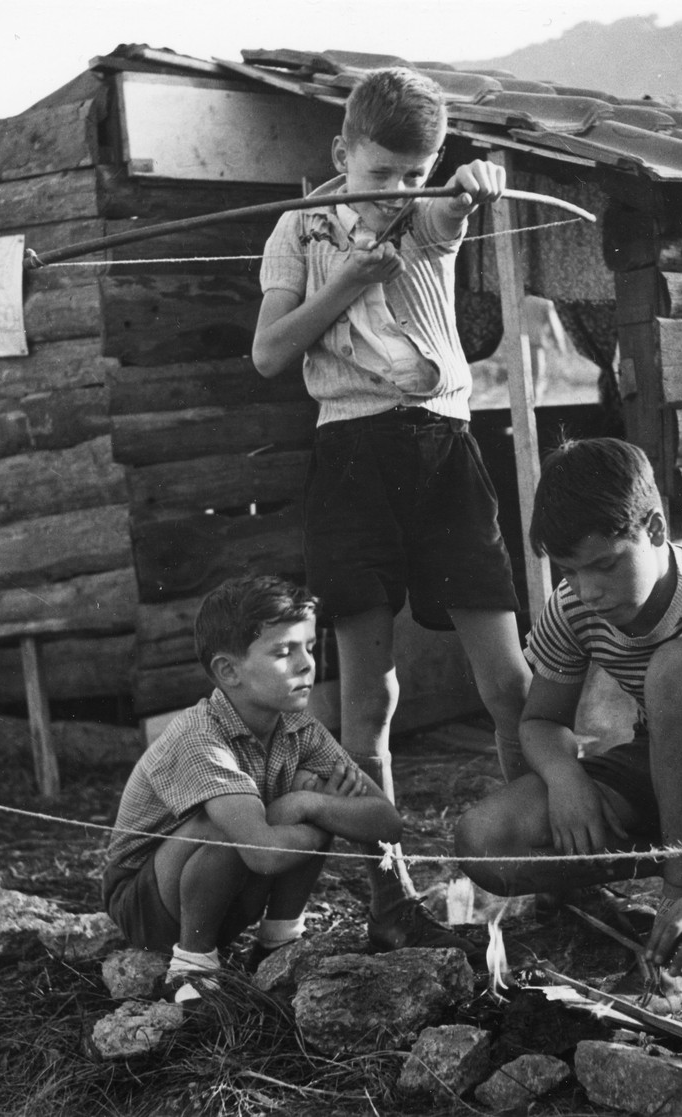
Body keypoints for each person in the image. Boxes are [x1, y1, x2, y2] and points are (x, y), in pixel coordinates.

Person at [252, 67, 531, 955]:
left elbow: (449, 216)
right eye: (379, 174)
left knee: (506, 677)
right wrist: (343, 284)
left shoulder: (426, 213)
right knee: (367, 693)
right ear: (342, 154)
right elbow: (269, 353)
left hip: (444, 450)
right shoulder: (295, 229)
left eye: (417, 172)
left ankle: (533, 867)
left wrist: (470, 187)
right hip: (351, 454)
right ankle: (388, 887)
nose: (397, 191)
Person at [454, 437, 682, 1013]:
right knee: (485, 842)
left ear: (654, 529)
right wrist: (565, 777)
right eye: (570, 571)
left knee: (677, 667)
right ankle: (673, 876)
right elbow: (539, 721)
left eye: (604, 565)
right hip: (675, 768)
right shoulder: (575, 602)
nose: (588, 590)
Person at [102, 575, 403, 1000]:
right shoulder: (199, 736)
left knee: (314, 800)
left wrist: (310, 801)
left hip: (221, 889)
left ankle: (276, 941)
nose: (306, 665)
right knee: (234, 821)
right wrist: (307, 805)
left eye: (310, 648)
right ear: (228, 671)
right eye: (283, 652)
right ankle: (192, 965)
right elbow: (262, 852)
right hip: (146, 906)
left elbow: (388, 823)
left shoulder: (300, 728)